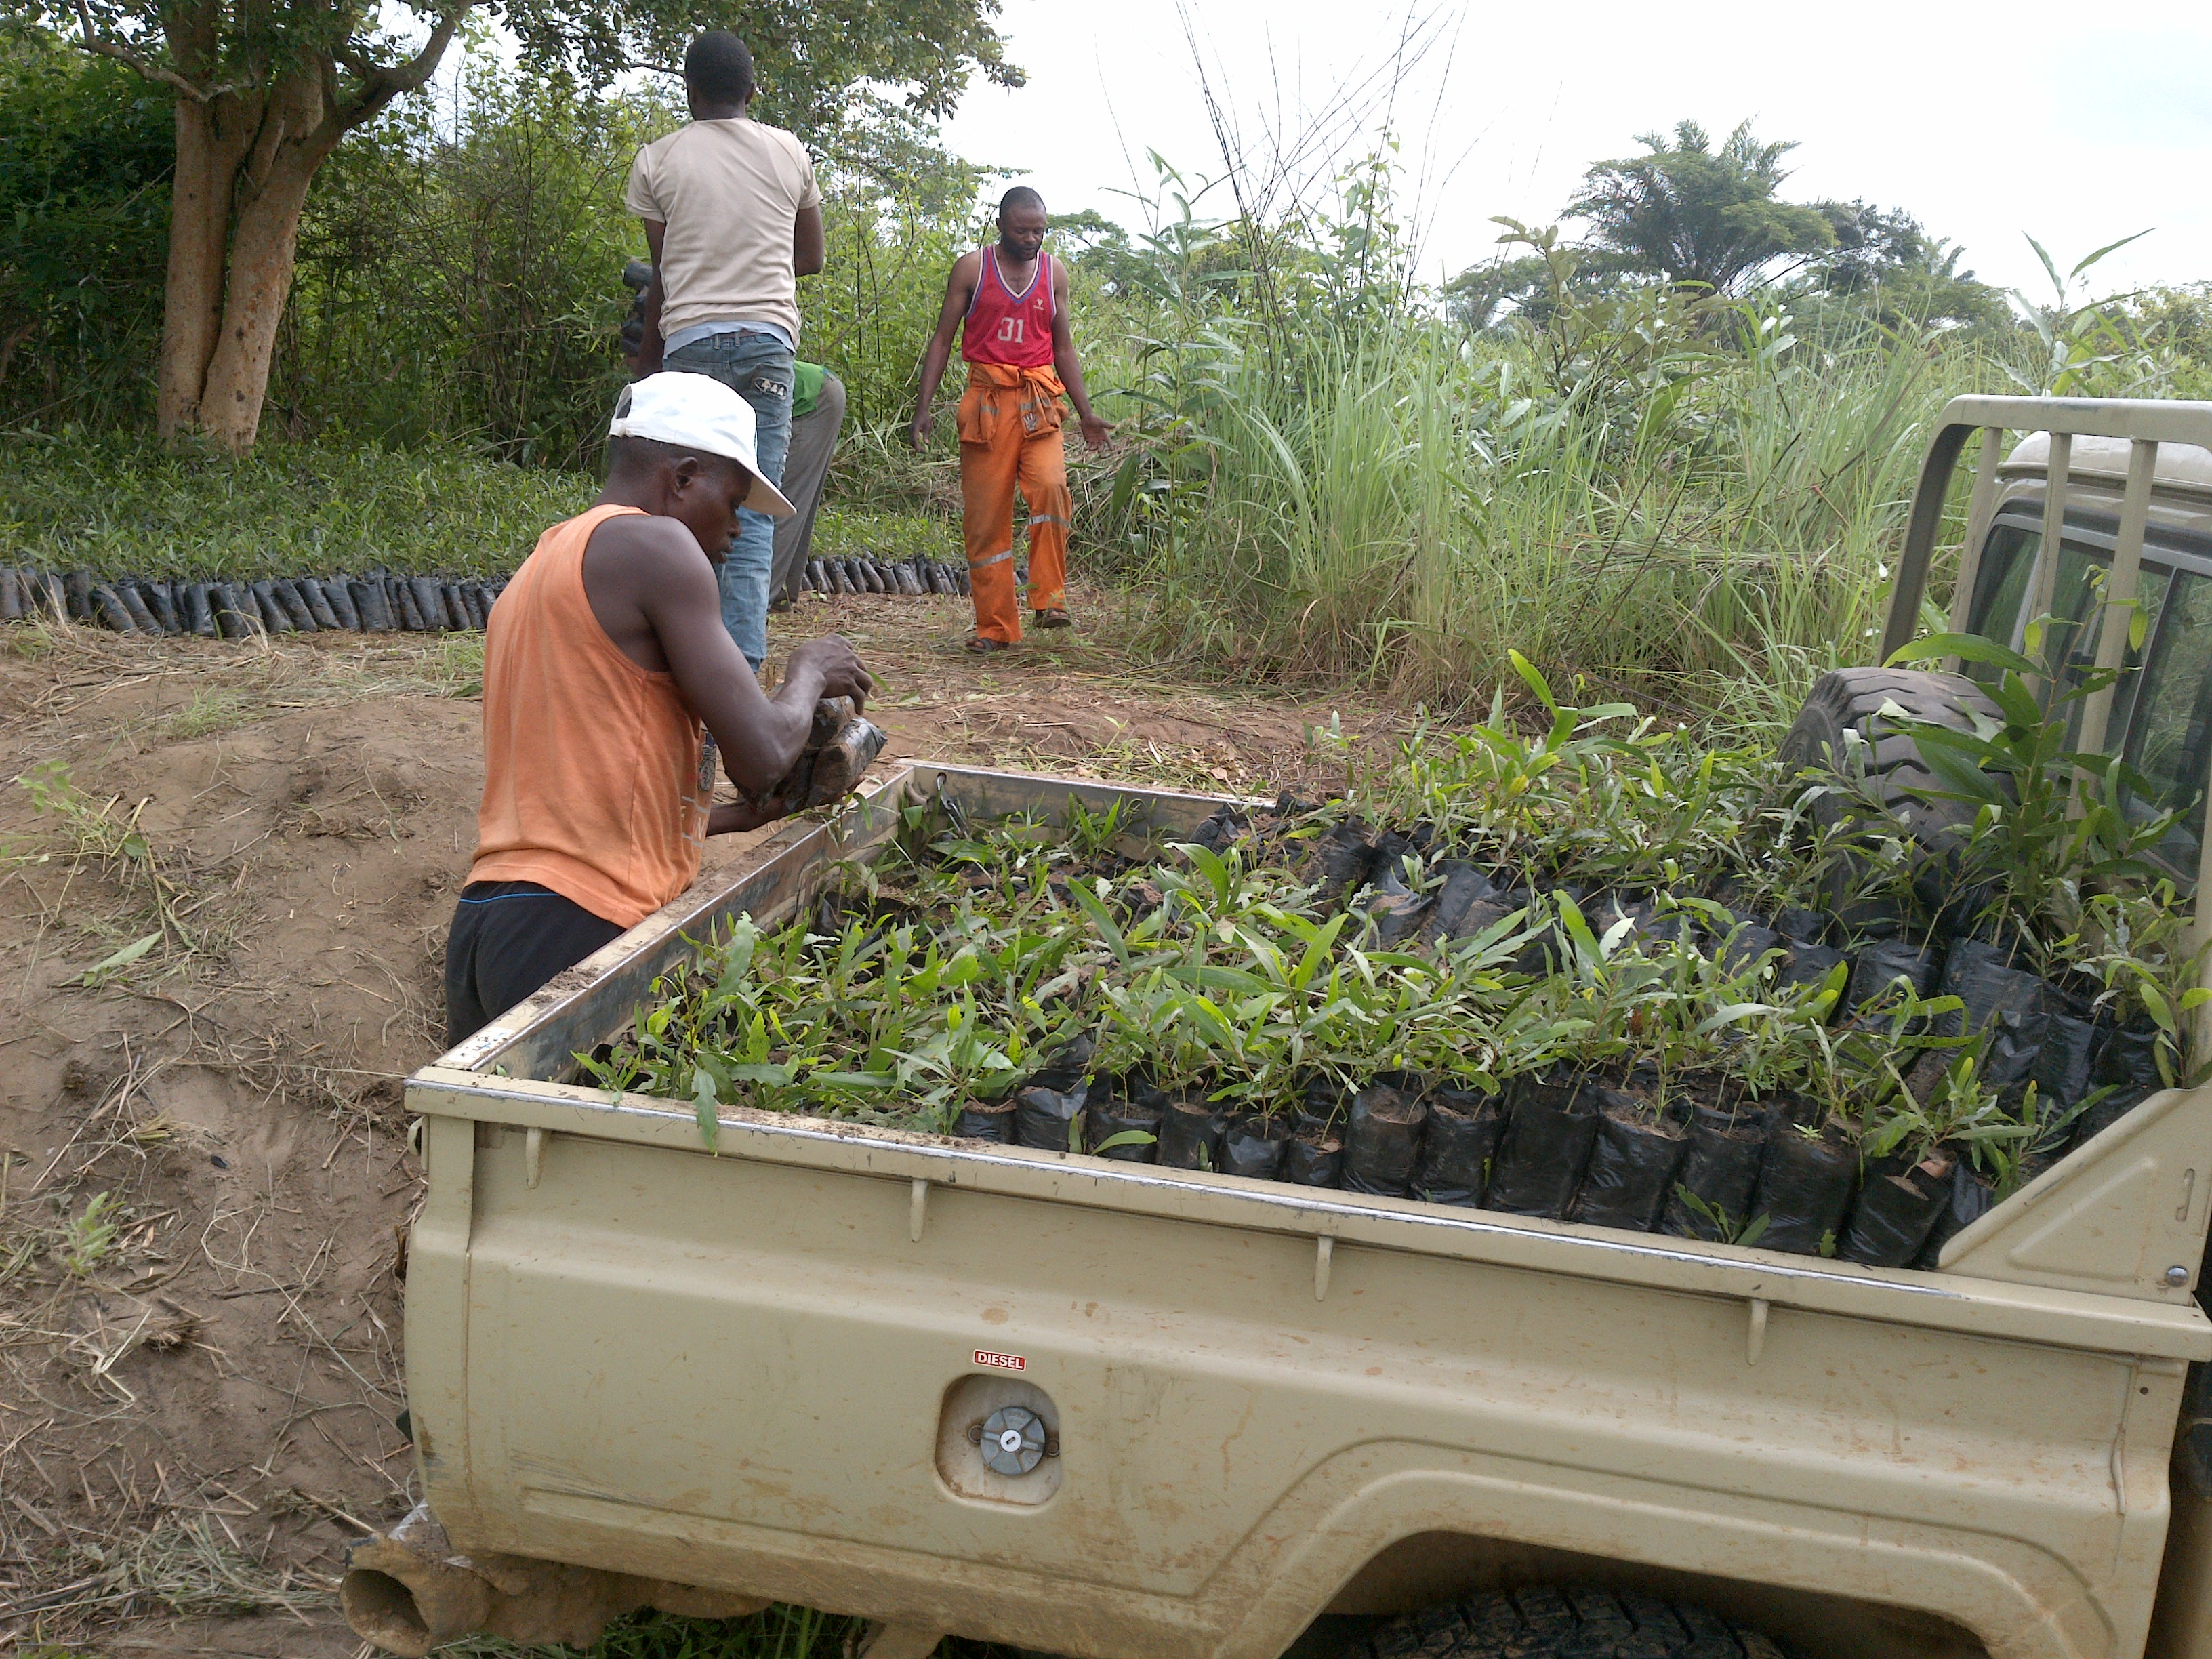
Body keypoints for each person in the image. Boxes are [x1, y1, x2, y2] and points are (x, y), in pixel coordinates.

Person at [444, 372, 874, 1044]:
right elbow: (762, 754)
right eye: (731, 501)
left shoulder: (546, 562)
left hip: (489, 928)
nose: (734, 529)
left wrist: (738, 817)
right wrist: (808, 672)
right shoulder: (658, 546)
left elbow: (582, 807)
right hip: (575, 926)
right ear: (681, 478)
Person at [625, 30, 824, 672]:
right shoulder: (789, 152)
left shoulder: (658, 160)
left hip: (691, 349)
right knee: (752, 516)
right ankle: (739, 683)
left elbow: (663, 275)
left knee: (683, 511)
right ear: (752, 89)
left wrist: (647, 360)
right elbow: (812, 258)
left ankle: (682, 670)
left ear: (688, 90)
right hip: (768, 346)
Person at [911, 186, 1109, 653]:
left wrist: (1086, 413)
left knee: (1051, 487)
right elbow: (942, 339)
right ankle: (995, 628)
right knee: (986, 519)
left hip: (1039, 403)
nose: (1032, 239)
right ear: (1001, 225)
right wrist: (923, 408)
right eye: (1022, 230)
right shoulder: (972, 268)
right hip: (987, 405)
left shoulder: (1053, 272)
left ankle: (1050, 601)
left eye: (1039, 230)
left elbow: (1063, 346)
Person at [770, 361, 846, 609]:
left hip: (813, 399)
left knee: (782, 503)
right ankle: (779, 594)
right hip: (813, 392)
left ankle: (760, 598)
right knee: (793, 503)